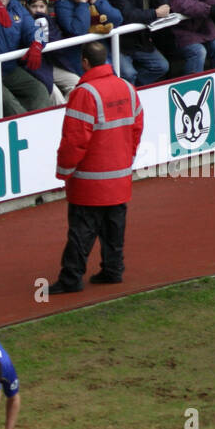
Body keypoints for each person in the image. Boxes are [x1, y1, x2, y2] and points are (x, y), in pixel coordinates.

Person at [47, 41, 144, 295]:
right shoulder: (127, 88)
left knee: (81, 233)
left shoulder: (85, 94)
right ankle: (113, 270)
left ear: (85, 62)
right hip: (119, 176)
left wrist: (64, 171)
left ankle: (71, 278)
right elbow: (136, 128)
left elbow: (75, 140)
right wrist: (126, 158)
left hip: (89, 181)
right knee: (114, 229)